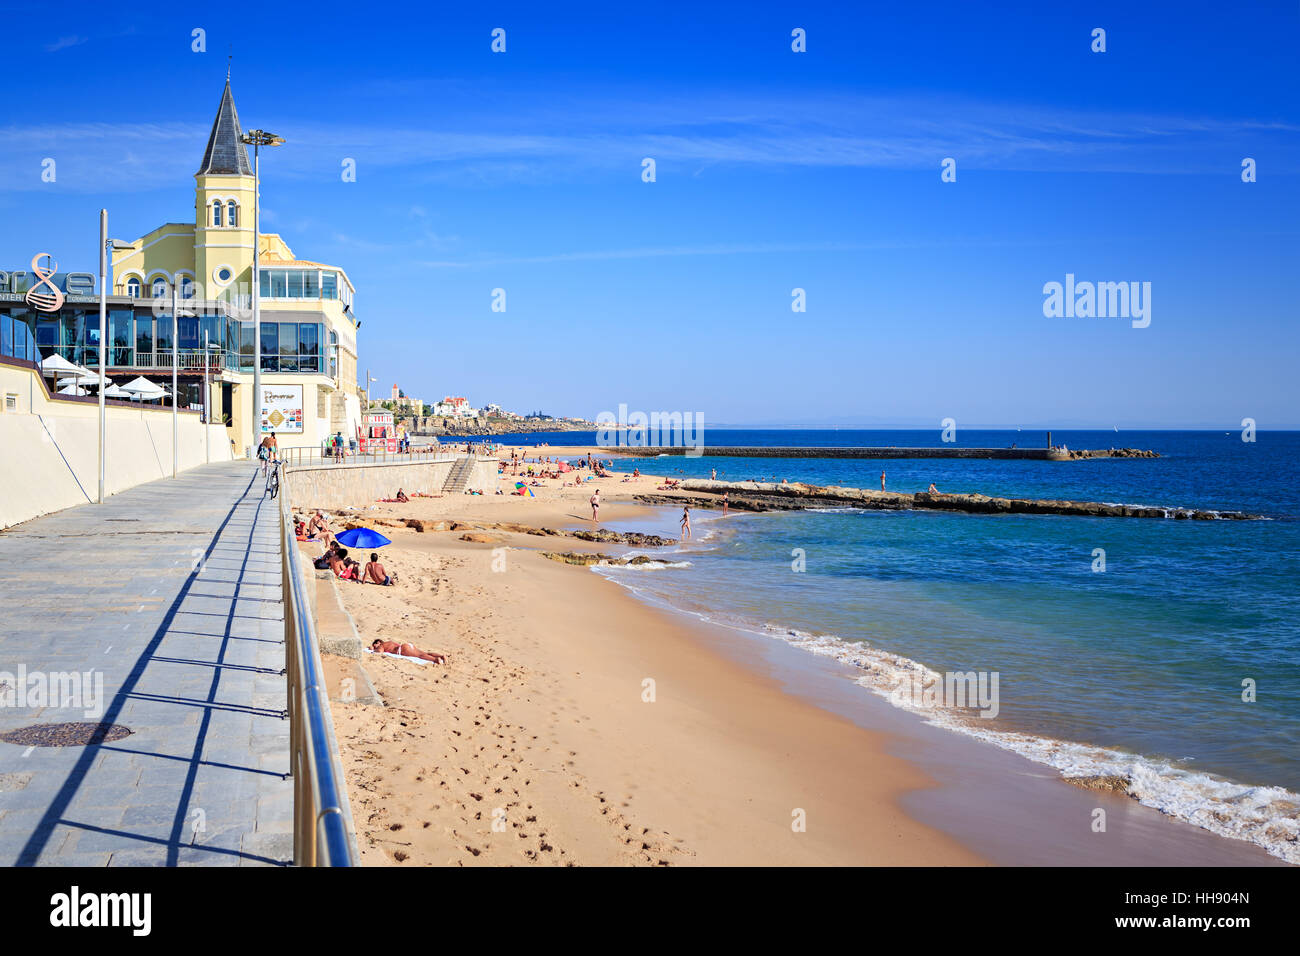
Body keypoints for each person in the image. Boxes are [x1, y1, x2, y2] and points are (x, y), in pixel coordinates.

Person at [371, 639, 445, 664]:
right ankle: (441, 656)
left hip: (402, 649)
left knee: (420, 656)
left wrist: (373, 650)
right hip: (406, 646)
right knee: (424, 653)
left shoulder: (382, 645)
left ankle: (435, 660)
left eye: (375, 645)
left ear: (378, 642)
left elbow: (379, 651)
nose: (375, 647)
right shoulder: (389, 642)